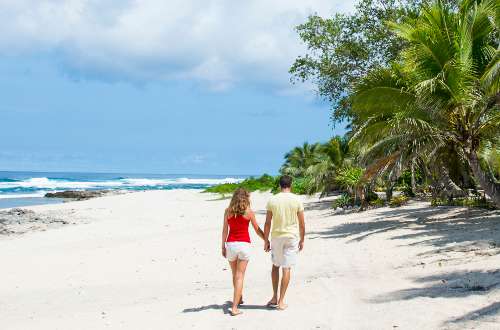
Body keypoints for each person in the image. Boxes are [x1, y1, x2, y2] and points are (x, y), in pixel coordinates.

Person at [264, 175, 305, 310]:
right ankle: (281, 301)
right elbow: (302, 223)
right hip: (291, 236)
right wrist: (302, 239)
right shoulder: (297, 200)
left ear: (279, 185)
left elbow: (268, 222)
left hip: (276, 236)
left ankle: (274, 296)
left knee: (275, 266)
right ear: (290, 184)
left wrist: (265, 240)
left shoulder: (273, 200)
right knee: (286, 268)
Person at [221, 188, 265, 316]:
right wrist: (266, 240)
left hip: (231, 245)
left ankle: (238, 298)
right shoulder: (249, 212)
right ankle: (234, 308)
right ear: (246, 198)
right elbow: (257, 230)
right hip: (244, 245)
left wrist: (222, 246)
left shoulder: (227, 211)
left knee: (235, 275)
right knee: (240, 276)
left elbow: (225, 230)